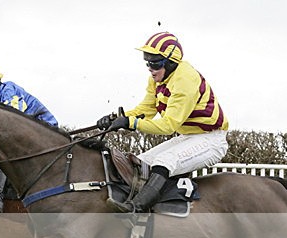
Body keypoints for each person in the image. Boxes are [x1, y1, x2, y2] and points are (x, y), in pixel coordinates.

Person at [97, 32, 229, 213]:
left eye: (155, 63)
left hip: (211, 140)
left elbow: (168, 126)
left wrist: (130, 123)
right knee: (141, 162)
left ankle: (136, 208)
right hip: (189, 137)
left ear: (170, 62)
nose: (150, 68)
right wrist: (117, 118)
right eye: (147, 62)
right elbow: (146, 110)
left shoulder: (185, 81)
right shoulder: (158, 78)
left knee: (165, 160)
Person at [0, 61, 59, 212]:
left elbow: (11, 127)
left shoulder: (9, 92)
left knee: (2, 147)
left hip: (45, 133)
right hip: (28, 133)